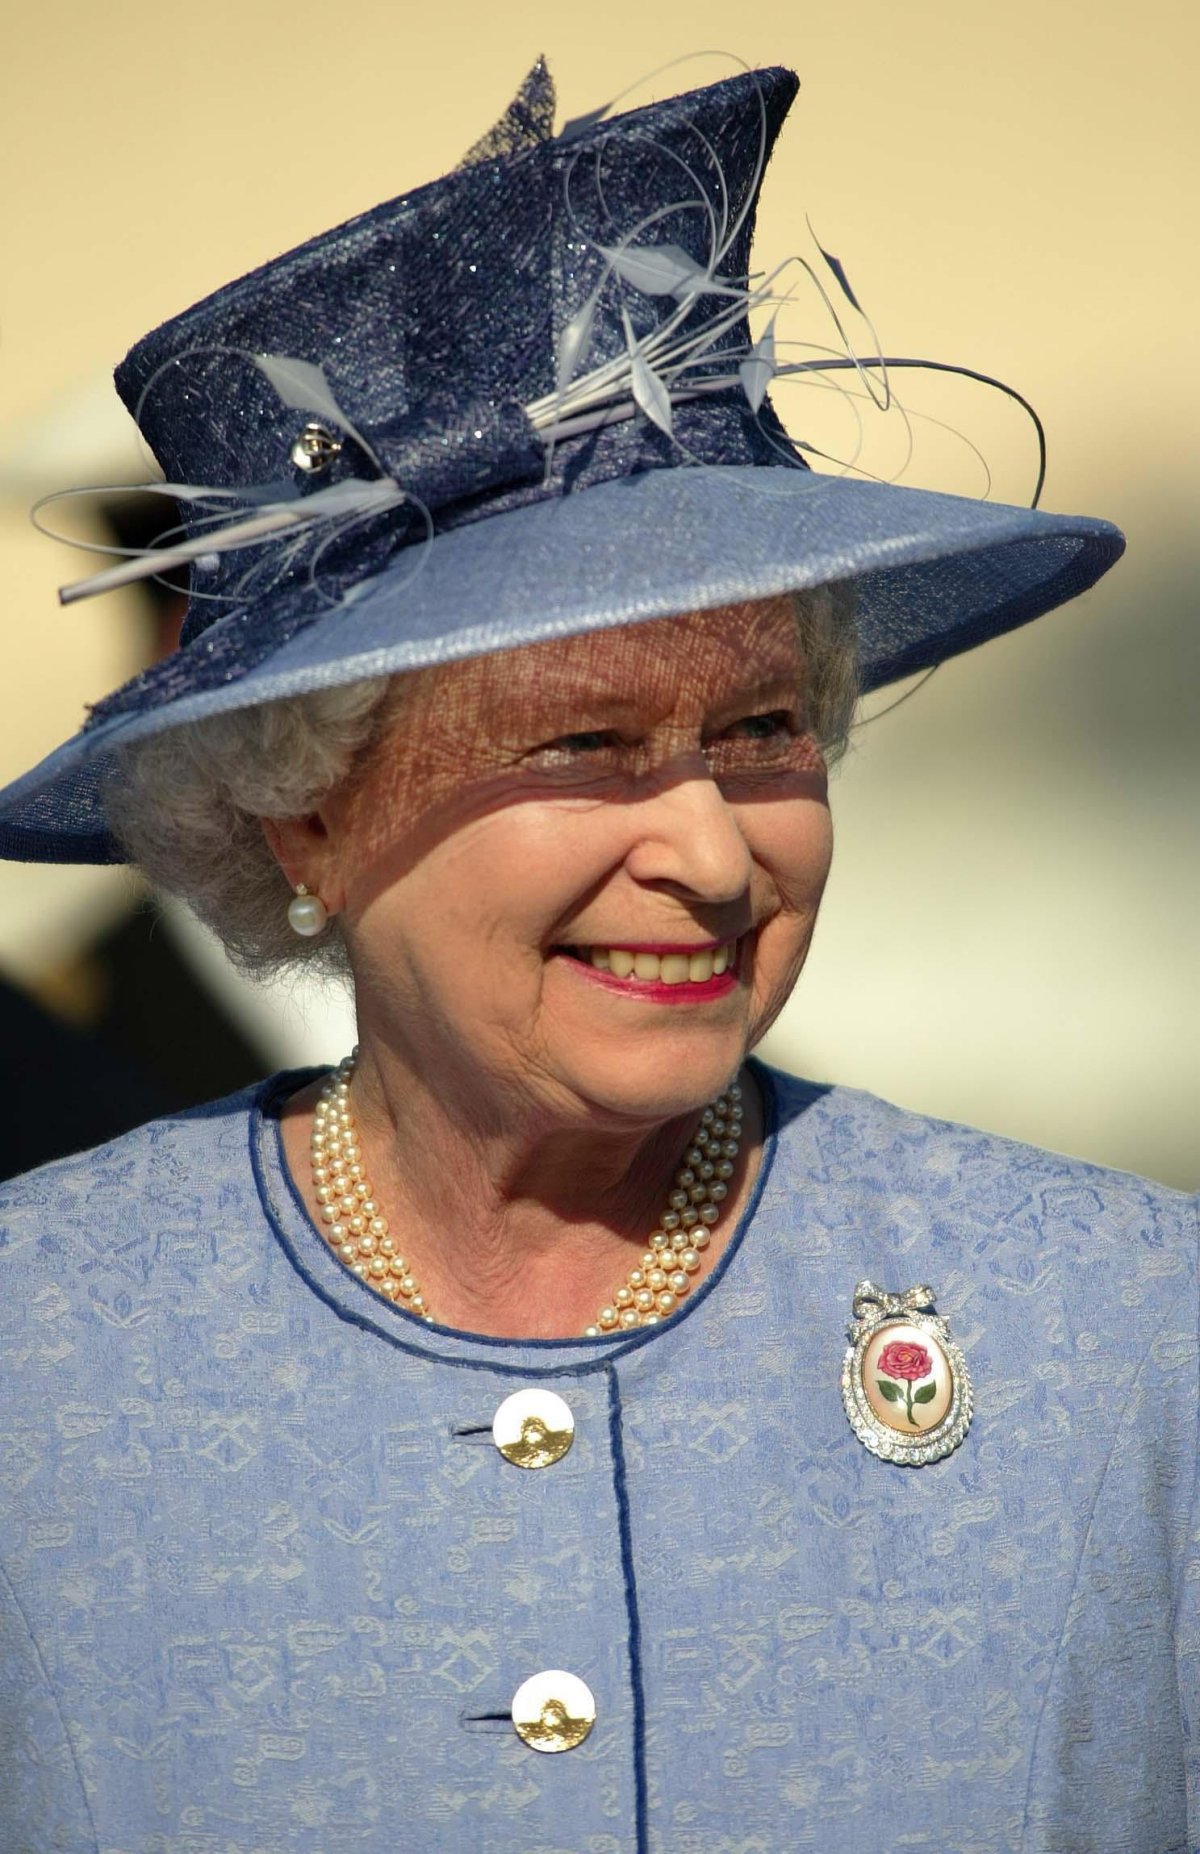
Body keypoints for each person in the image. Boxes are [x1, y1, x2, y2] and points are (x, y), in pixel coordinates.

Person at [0, 57, 1193, 1853]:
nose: (715, 853)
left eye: (770, 728)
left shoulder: (1129, 1330)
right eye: (581, 746)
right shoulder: (38, 1350)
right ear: (299, 813)